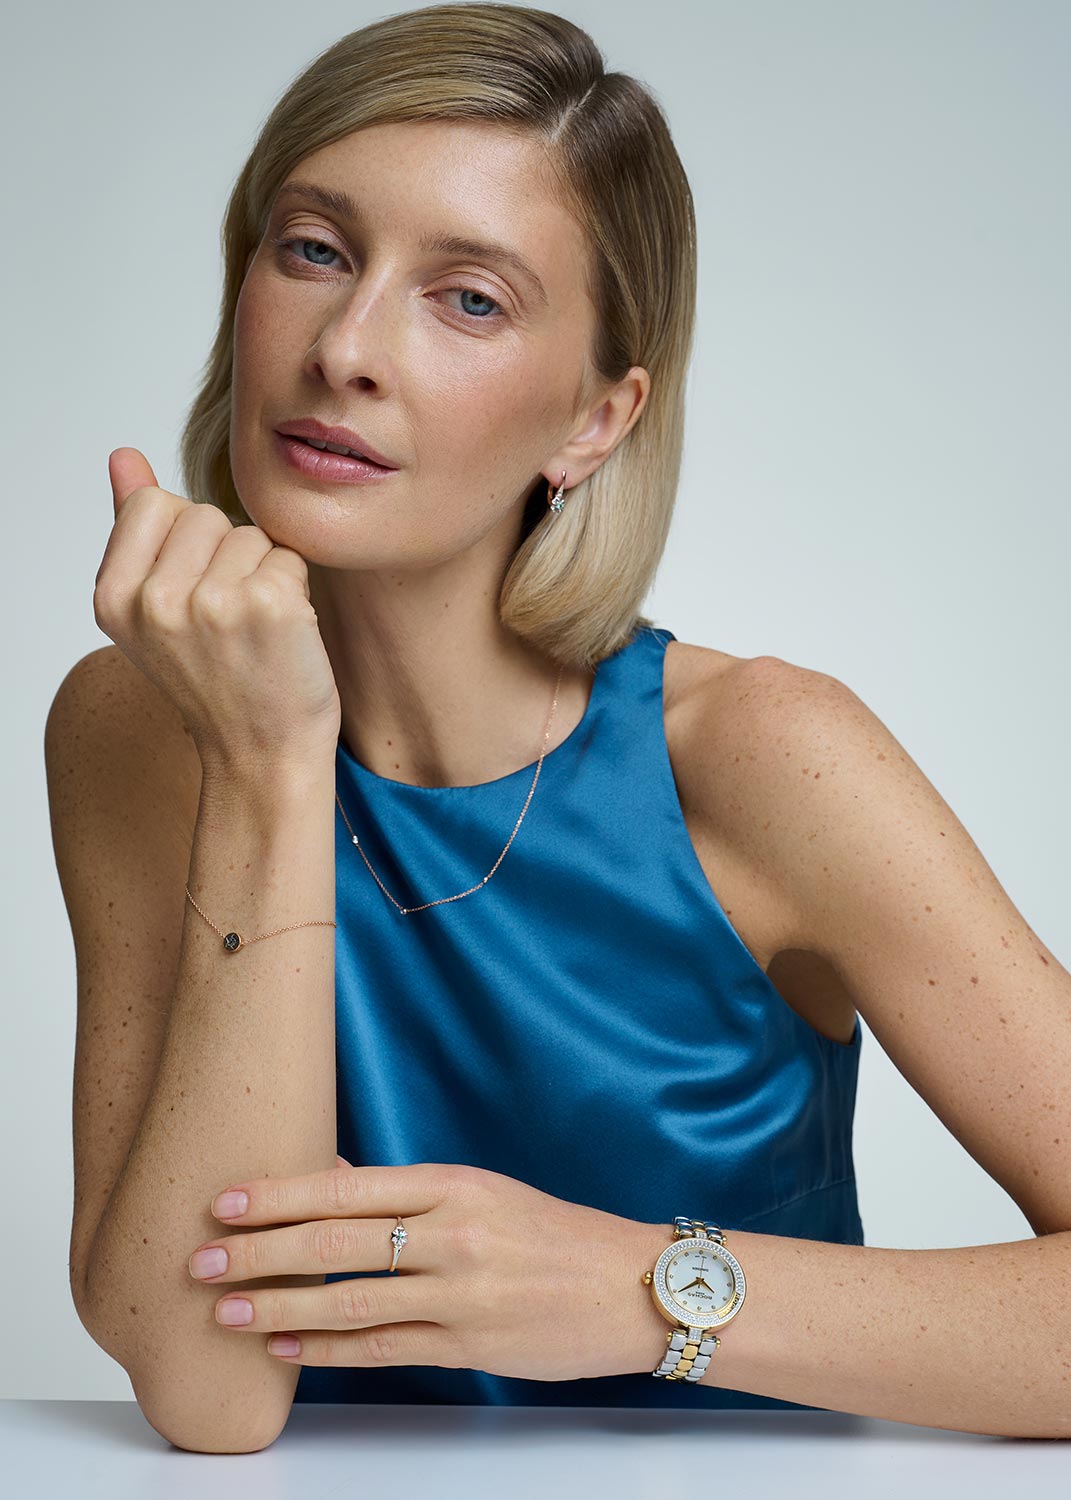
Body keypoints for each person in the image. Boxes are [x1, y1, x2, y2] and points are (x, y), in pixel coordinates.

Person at [47, 1, 1070, 1454]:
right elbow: (210, 1396)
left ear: (595, 419)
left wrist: (639, 1291)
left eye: (469, 299)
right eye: (315, 249)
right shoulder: (140, 729)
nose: (346, 348)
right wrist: (265, 765)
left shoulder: (764, 753)